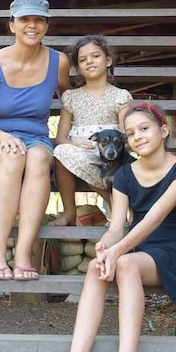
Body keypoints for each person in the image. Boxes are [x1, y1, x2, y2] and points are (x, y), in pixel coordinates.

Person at [68, 102, 176, 352]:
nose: (137, 136)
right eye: (130, 133)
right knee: (96, 266)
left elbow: (154, 218)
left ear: (163, 131)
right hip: (134, 249)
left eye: (144, 128)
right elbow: (117, 226)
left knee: (126, 264)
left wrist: (118, 251)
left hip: (169, 252)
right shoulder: (124, 175)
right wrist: (106, 247)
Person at [0, 0, 71, 281]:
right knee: (14, 156)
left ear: (47, 26)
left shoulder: (59, 62)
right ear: (12, 25)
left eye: (39, 20)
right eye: (25, 19)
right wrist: (4, 138)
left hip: (36, 141)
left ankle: (25, 253)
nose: (32, 25)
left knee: (39, 155)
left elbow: (70, 101)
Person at [49, 35, 132, 226]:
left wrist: (108, 148)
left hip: (111, 154)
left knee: (102, 160)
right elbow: (61, 137)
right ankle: (69, 211)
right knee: (61, 152)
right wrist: (77, 144)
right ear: (77, 68)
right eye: (83, 60)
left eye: (95, 56)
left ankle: (118, 207)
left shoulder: (120, 96)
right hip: (79, 152)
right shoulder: (71, 97)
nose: (90, 62)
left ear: (108, 60)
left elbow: (127, 133)